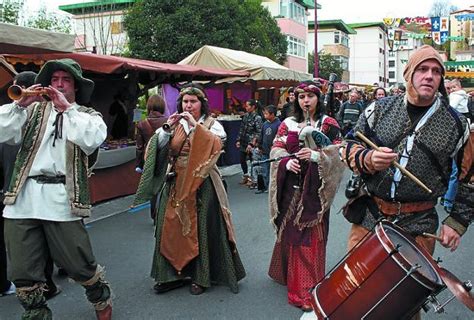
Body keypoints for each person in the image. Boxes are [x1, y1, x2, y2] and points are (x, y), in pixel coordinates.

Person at [341, 45, 472, 270]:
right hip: (370, 215)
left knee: (404, 299)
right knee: (356, 289)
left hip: (419, 222)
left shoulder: (457, 125)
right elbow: (349, 145)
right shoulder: (378, 110)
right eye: (422, 69)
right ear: (409, 74)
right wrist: (368, 158)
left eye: (436, 71)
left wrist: (457, 222)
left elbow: (470, 177)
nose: (429, 76)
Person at [0, 59, 112, 319]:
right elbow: (3, 132)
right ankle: (36, 313)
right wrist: (19, 106)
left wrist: (67, 109)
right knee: (22, 268)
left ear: (75, 86)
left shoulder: (86, 115)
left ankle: (100, 297)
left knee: (78, 263)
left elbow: (92, 139)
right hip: (23, 198)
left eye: (66, 80)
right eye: (54, 80)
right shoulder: (32, 111)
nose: (59, 84)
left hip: (61, 197)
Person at [134, 83, 246, 296]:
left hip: (202, 183)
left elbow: (216, 146)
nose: (188, 105)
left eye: (193, 101)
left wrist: (195, 126)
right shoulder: (173, 123)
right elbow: (155, 151)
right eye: (185, 101)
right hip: (175, 181)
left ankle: (200, 276)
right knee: (169, 228)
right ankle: (170, 275)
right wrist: (166, 131)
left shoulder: (213, 124)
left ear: (201, 104)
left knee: (199, 228)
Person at [268, 81, 344, 312]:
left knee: (310, 238)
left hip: (316, 191)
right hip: (291, 188)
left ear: (318, 99)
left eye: (310, 96)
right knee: (290, 233)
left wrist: (317, 157)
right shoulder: (287, 124)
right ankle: (287, 274)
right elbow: (275, 148)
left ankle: (307, 288)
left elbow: (340, 152)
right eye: (301, 96)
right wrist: (285, 161)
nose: (305, 101)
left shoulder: (328, 123)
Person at [0, 72, 62, 300]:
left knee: (42, 240)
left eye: (19, 88)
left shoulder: (50, 115)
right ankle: (36, 287)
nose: (17, 92)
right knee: (25, 244)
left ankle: (46, 283)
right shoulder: (11, 117)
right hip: (13, 191)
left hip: (40, 190)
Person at [135, 94, 168, 220]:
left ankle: (154, 215)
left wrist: (139, 165)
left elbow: (139, 147)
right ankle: (164, 213)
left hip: (149, 159)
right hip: (165, 158)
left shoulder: (142, 124)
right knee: (166, 185)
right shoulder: (169, 121)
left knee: (153, 186)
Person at [236, 99, 263, 186]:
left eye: (248, 106)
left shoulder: (257, 118)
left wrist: (252, 143)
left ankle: (253, 179)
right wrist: (238, 140)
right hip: (243, 141)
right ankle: (245, 175)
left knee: (252, 160)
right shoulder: (246, 116)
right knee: (241, 159)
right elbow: (241, 129)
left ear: (253, 107)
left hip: (252, 142)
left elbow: (259, 132)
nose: (246, 107)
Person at [255, 105, 281, 194]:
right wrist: (259, 146)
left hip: (274, 152)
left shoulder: (279, 124)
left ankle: (272, 187)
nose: (264, 115)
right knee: (264, 170)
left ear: (272, 114)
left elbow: (280, 137)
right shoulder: (265, 124)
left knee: (273, 171)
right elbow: (261, 135)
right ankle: (266, 186)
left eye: (266, 114)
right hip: (264, 151)